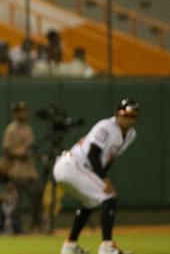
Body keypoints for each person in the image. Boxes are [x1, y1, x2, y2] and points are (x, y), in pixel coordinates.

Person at [54, 100, 139, 254]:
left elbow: (109, 158)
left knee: (89, 202)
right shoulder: (106, 126)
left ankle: (70, 246)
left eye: (133, 116)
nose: (128, 119)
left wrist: (102, 177)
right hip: (72, 165)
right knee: (109, 196)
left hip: (77, 168)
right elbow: (93, 154)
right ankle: (107, 246)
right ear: (117, 114)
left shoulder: (131, 134)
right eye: (125, 115)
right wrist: (104, 179)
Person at [0, 102, 39, 234]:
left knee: (36, 199)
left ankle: (35, 226)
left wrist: (29, 152)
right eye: (20, 111)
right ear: (15, 113)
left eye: (24, 111)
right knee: (16, 203)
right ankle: (18, 229)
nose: (23, 114)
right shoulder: (11, 129)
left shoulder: (28, 128)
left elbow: (32, 147)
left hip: (29, 171)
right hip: (15, 170)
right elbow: (6, 150)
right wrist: (19, 152)